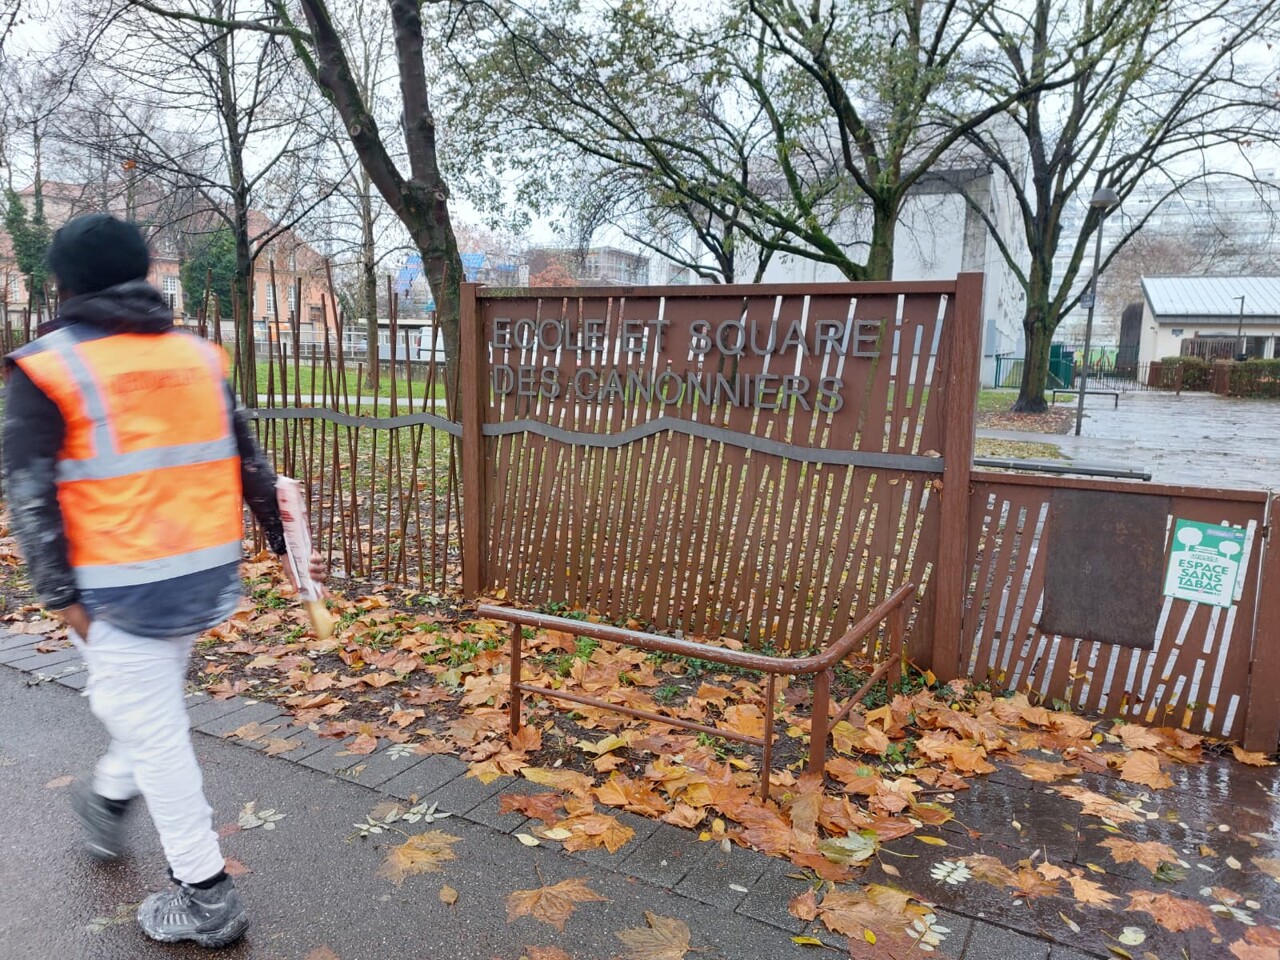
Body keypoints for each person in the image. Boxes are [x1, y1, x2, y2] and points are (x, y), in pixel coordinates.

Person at [2, 213, 325, 948]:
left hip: (116, 589)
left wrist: (61, 600)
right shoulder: (197, 357)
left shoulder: (50, 366)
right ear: (146, 273)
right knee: (142, 711)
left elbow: (29, 496)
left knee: (154, 727)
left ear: (63, 281)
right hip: (201, 575)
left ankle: (207, 895)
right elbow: (248, 458)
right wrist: (280, 541)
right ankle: (108, 798)